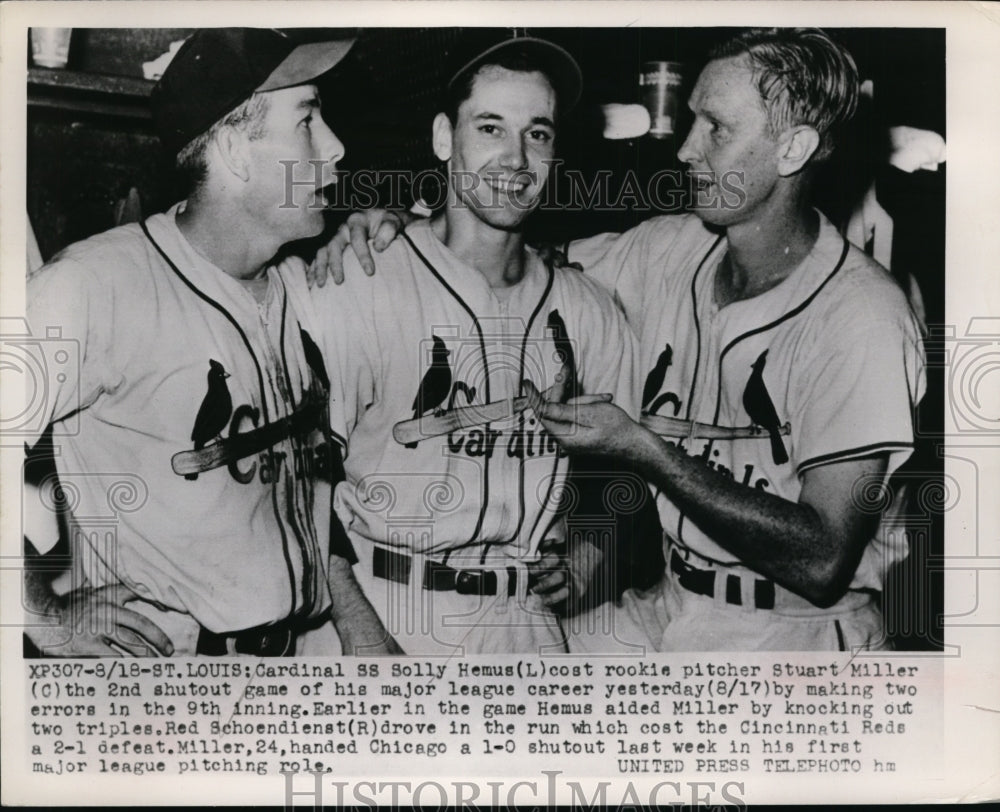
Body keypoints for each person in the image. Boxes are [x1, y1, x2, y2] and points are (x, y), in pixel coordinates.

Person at [326, 28, 926, 651]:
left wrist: (645, 453)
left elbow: (823, 559)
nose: (687, 149)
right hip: (670, 603)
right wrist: (393, 224)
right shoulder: (671, 249)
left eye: (715, 128)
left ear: (792, 149)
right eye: (692, 119)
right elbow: (505, 259)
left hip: (795, 630)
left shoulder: (863, 315)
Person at [23, 28, 399, 657]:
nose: (335, 147)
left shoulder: (294, 284)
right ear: (234, 149)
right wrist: (40, 613)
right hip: (161, 682)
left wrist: (355, 619)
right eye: (307, 119)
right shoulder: (91, 286)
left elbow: (301, 485)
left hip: (287, 667)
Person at [309, 31, 637, 654]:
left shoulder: (589, 310)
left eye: (537, 133)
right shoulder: (362, 279)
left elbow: (628, 475)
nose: (516, 159)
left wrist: (591, 556)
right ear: (443, 139)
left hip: (525, 624)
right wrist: (357, 628)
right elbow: (297, 485)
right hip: (381, 607)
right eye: (490, 128)